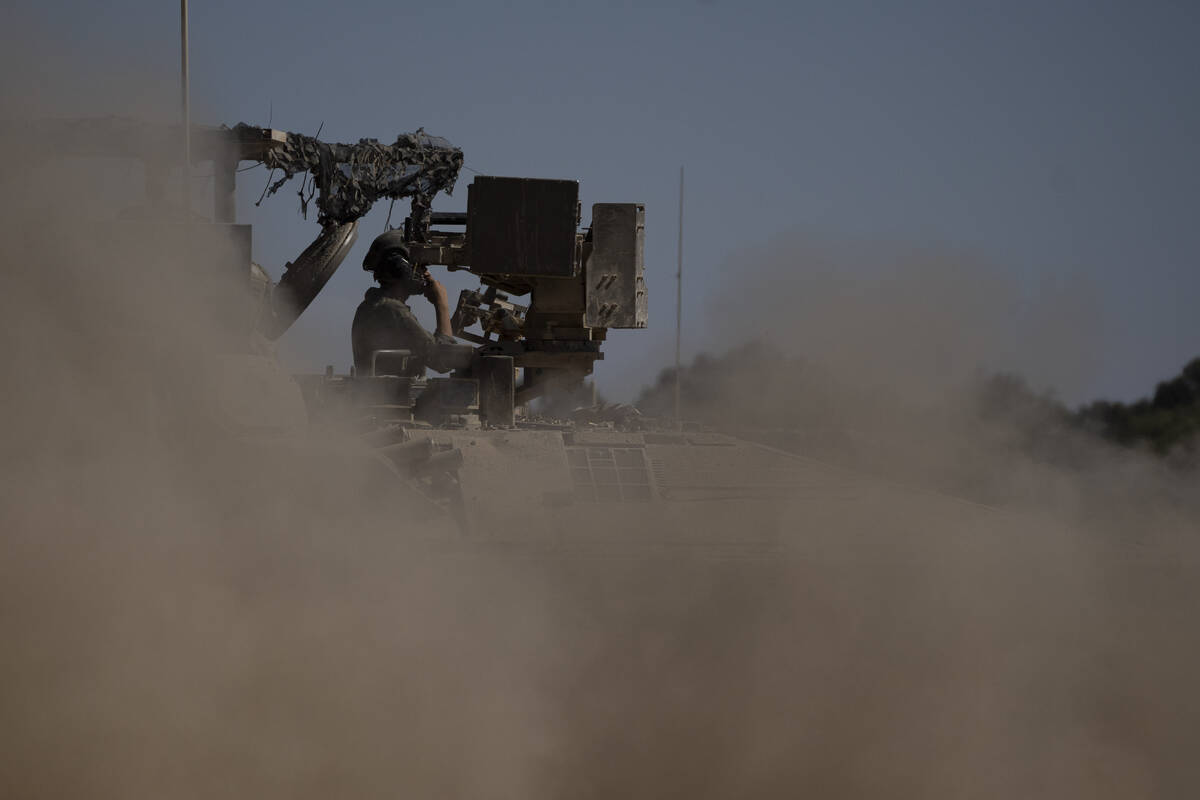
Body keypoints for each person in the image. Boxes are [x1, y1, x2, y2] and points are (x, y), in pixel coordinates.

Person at [351, 230, 455, 377]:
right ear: (401, 268)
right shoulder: (394, 311)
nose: (426, 274)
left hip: (380, 393)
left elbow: (429, 344)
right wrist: (442, 305)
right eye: (420, 266)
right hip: (396, 396)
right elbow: (444, 360)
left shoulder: (372, 306)